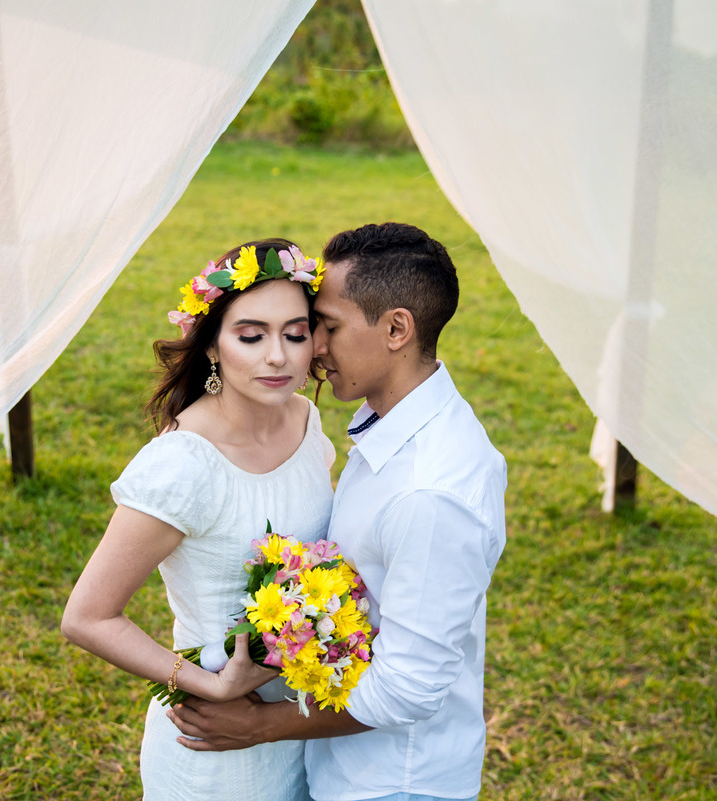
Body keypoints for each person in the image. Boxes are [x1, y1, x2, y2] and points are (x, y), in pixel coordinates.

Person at [168, 222, 508, 801]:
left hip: (392, 782)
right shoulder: (388, 423)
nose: (313, 348)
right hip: (337, 765)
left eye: (327, 326)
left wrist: (259, 726)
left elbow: (408, 691)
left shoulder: (431, 491)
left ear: (397, 328)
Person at [61, 238, 334, 801]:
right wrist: (211, 685)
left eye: (295, 333)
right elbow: (87, 617)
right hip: (216, 749)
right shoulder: (183, 464)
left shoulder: (306, 420)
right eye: (251, 335)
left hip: (303, 726)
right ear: (211, 346)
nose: (278, 356)